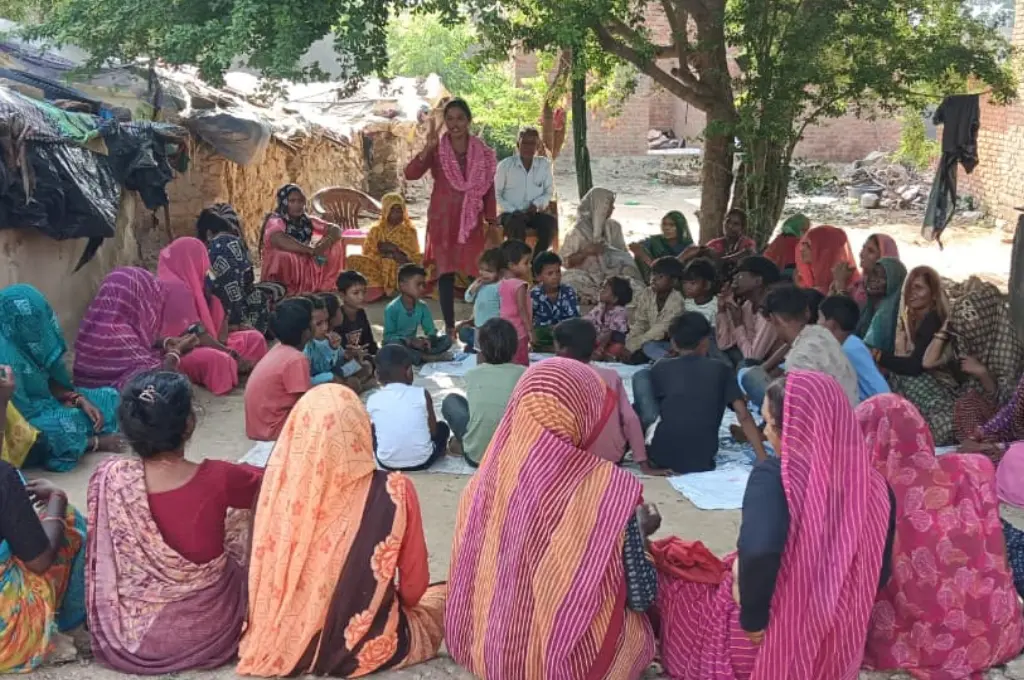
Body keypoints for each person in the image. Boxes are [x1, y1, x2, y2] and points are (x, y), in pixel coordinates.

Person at [653, 371, 896, 679]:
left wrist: (754, 620)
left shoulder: (776, 476)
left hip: (768, 645)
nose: (766, 433)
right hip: (837, 647)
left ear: (794, 429)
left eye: (769, 423)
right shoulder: (876, 486)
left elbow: (760, 550)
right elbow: (880, 571)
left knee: (676, 586)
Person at [445, 359, 657, 680]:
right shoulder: (606, 493)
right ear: (585, 416)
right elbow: (642, 597)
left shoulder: (480, 485)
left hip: (486, 652)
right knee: (640, 635)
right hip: (564, 666)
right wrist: (639, 535)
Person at [238, 385, 446, 677]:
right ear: (361, 430)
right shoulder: (394, 491)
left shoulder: (276, 491)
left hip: (278, 634)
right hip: (363, 641)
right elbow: (414, 587)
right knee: (446, 596)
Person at [87, 371, 259, 674]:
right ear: (189, 424)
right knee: (244, 519)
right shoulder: (219, 477)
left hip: (133, 634)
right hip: (208, 629)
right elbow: (273, 486)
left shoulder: (110, 477)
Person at [856, 393, 1024, 678]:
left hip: (926, 644)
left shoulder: (870, 494)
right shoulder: (973, 468)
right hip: (996, 629)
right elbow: (999, 556)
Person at [0, 366, 87, 672]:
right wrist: (58, 504)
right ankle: (67, 624)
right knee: (73, 523)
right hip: (7, 636)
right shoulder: (3, 477)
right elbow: (40, 561)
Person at [0, 285, 121, 471]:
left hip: (45, 403)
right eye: (33, 321)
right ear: (14, 321)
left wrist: (77, 399)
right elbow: (19, 418)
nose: (40, 327)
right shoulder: (5, 356)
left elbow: (48, 383)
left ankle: (81, 433)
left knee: (108, 396)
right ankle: (90, 442)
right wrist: (61, 408)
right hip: (19, 429)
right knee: (65, 425)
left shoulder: (23, 342)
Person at [405, 98, 498, 335]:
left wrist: (491, 220)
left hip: (471, 221)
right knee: (445, 271)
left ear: (469, 120)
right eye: (450, 119)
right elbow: (411, 173)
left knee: (479, 270)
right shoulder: (437, 149)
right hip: (443, 220)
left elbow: (488, 189)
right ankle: (448, 327)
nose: (454, 124)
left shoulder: (483, 153)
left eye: (460, 118)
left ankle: (480, 323)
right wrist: (427, 146)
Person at [632, 313, 766, 475]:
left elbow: (650, 407)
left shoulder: (661, 367)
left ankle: (634, 452)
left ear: (673, 343)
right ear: (705, 341)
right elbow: (743, 415)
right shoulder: (721, 369)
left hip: (660, 456)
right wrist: (762, 457)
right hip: (702, 458)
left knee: (641, 377)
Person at [157, 237, 269, 395]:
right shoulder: (174, 288)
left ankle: (241, 372)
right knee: (220, 360)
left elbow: (213, 316)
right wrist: (228, 352)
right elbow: (196, 332)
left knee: (253, 339)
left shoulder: (195, 281)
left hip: (208, 340)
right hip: (181, 350)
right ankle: (234, 375)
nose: (205, 264)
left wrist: (227, 335)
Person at [925, 280, 1024, 447]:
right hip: (974, 408)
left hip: (1000, 419)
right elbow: (928, 362)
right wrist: (947, 324)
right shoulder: (969, 339)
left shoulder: (1009, 352)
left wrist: (982, 373)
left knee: (961, 412)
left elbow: (1009, 407)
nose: (968, 338)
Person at [877, 265, 959, 445]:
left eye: (919, 288)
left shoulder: (934, 319)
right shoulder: (914, 319)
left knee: (901, 376)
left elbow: (915, 366)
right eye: (909, 288)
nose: (911, 293)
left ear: (933, 292)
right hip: (931, 379)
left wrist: (878, 356)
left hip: (946, 387)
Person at [75, 267, 192, 391]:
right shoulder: (119, 336)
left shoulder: (93, 324)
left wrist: (165, 342)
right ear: (138, 299)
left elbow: (137, 347)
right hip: (110, 401)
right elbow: (160, 378)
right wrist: (176, 352)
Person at [554, 318, 650, 468]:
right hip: (610, 458)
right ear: (595, 347)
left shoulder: (553, 376)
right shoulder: (611, 376)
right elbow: (630, 419)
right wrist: (643, 462)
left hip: (569, 458)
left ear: (560, 347)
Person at [745, 284, 859, 408]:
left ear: (774, 319)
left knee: (751, 378)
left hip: (828, 423)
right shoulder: (822, 334)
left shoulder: (799, 358)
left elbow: (801, 408)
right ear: (807, 312)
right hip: (848, 415)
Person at [441, 318, 525, 466]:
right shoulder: (525, 374)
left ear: (481, 350)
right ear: (515, 349)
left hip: (476, 457)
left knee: (451, 401)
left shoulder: (473, 374)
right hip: (513, 459)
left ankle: (464, 444)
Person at [197, 202, 283, 334]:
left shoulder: (202, 250)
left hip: (211, 313)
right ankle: (251, 330)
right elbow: (248, 278)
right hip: (237, 313)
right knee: (260, 296)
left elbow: (208, 280)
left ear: (208, 233)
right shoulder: (235, 242)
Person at [367, 344, 450, 471]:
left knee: (373, 427)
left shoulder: (373, 400)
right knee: (443, 427)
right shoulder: (422, 394)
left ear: (377, 375)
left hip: (386, 463)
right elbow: (433, 431)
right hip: (422, 461)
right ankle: (441, 452)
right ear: (409, 371)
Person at [560, 186, 644, 305]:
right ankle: (603, 296)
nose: (613, 208)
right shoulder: (577, 231)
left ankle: (607, 294)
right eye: (610, 205)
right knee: (568, 281)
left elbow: (622, 255)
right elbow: (566, 263)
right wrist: (586, 252)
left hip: (613, 274)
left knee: (635, 286)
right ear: (600, 207)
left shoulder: (614, 227)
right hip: (588, 277)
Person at [244, 299, 314, 442]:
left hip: (257, 427)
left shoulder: (278, 349)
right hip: (274, 429)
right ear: (306, 332)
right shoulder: (297, 359)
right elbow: (304, 402)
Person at [258, 183, 346, 295]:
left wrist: (321, 246)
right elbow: (278, 239)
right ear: (284, 203)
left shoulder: (306, 220)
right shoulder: (275, 220)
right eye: (292, 201)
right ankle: (286, 290)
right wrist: (309, 250)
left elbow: (336, 230)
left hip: (305, 263)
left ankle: (325, 284)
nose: (297, 205)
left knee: (335, 243)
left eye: (300, 201)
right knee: (283, 256)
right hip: (288, 266)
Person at [346, 192, 425, 302]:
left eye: (400, 211)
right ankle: (377, 288)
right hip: (379, 269)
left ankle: (402, 286)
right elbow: (367, 253)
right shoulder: (376, 230)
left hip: (401, 269)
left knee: (424, 258)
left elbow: (412, 255)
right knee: (353, 259)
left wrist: (395, 251)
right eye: (393, 210)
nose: (397, 214)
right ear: (386, 211)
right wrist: (385, 253)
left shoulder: (410, 231)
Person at [495, 127, 556, 258]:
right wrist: (512, 210)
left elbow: (549, 192)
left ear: (538, 145)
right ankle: (517, 262)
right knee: (516, 224)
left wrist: (537, 204)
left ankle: (536, 263)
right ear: (518, 144)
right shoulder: (505, 166)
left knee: (550, 224)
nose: (528, 147)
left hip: (532, 213)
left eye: (532, 143)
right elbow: (497, 195)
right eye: (525, 143)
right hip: (510, 214)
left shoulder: (544, 165)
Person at [715, 256, 784, 368]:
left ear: (758, 281)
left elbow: (752, 358)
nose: (735, 279)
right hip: (746, 358)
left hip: (769, 368)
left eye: (741, 275)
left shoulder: (769, 311)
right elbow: (724, 344)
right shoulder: (747, 305)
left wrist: (738, 323)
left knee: (742, 365)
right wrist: (723, 310)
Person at [819, 295, 890, 402]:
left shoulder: (848, 348)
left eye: (820, 318)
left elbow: (879, 388)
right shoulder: (849, 343)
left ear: (831, 324)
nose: (817, 323)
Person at [383, 264, 453, 364]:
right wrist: (409, 341)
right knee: (393, 345)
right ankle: (428, 358)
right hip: (400, 345)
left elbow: (431, 331)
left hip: (416, 346)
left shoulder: (423, 307)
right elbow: (387, 337)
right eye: (418, 284)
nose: (422, 288)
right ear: (402, 285)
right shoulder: (392, 308)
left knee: (447, 340)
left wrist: (427, 340)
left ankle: (423, 356)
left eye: (423, 285)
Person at [625, 256, 686, 363]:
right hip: (649, 340)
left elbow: (660, 330)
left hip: (670, 343)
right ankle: (659, 360)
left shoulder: (677, 300)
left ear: (674, 281)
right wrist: (629, 345)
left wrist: (635, 345)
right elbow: (640, 322)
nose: (653, 279)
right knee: (642, 347)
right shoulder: (647, 294)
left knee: (648, 347)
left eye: (660, 276)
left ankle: (671, 362)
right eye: (653, 274)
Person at [317, 292, 376, 393]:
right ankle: (360, 387)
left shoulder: (333, 334)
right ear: (332, 316)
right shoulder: (322, 340)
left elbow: (341, 362)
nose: (342, 311)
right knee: (354, 382)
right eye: (340, 309)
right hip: (330, 378)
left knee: (366, 364)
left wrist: (351, 356)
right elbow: (330, 369)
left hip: (338, 372)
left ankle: (360, 384)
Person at [683, 208, 756, 281]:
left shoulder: (748, 244)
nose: (730, 226)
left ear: (742, 228)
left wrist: (716, 257)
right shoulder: (714, 243)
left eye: (735, 224)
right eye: (728, 221)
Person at [456, 248, 504, 352]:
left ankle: (479, 348)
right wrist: (474, 288)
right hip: (479, 325)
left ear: (499, 272)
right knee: (464, 333)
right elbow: (468, 298)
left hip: (493, 328)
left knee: (486, 347)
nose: (484, 273)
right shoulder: (479, 283)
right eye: (482, 269)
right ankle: (476, 347)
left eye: (489, 271)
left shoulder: (499, 286)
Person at [530, 250, 580, 352]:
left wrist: (559, 328)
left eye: (558, 272)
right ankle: (549, 349)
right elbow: (529, 319)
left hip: (564, 335)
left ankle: (557, 349)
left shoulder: (568, 291)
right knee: (538, 332)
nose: (555, 276)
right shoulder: (534, 294)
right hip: (544, 336)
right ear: (539, 277)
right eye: (550, 273)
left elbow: (574, 318)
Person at [856, 257, 908, 353]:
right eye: (872, 274)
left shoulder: (888, 316)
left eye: (882, 277)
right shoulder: (868, 309)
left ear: (894, 282)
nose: (873, 279)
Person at [835, 232, 900, 305]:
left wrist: (840, 284)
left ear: (884, 258)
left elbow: (845, 314)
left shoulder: (882, 291)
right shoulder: (859, 285)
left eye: (870, 251)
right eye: (863, 248)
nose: (861, 254)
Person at [629, 210, 694, 283]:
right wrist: (648, 260)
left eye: (672, 225)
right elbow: (635, 246)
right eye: (664, 224)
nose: (666, 228)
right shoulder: (655, 241)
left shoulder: (687, 246)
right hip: (651, 278)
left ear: (680, 227)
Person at [794, 224, 860, 296]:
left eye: (809, 245)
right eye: (803, 244)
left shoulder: (850, 284)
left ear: (825, 251)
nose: (802, 249)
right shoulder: (804, 277)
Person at [498, 239, 533, 366]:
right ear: (512, 265)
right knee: (521, 362)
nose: (529, 266)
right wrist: (529, 330)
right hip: (519, 331)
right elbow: (522, 309)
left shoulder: (500, 283)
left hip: (503, 330)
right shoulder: (520, 285)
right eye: (526, 262)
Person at [333, 271, 379, 359]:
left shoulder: (361, 313)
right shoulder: (337, 318)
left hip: (363, 357)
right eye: (356, 293)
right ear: (342, 295)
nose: (361, 297)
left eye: (364, 292)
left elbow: (369, 342)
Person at [586, 276, 632, 361]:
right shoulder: (600, 308)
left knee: (617, 346)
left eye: (605, 289)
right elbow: (587, 320)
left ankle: (603, 355)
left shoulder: (620, 312)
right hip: (598, 340)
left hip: (610, 342)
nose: (601, 291)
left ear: (615, 298)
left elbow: (610, 334)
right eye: (602, 288)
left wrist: (599, 349)